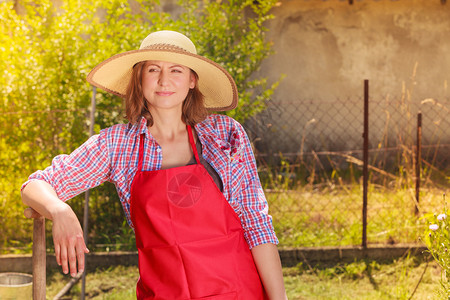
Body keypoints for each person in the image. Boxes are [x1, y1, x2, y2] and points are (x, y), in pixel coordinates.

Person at [21, 30, 287, 299]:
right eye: (152, 69)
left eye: (176, 70)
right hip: (165, 292)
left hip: (238, 290)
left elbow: (256, 223)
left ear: (192, 80)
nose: (163, 81)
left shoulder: (224, 134)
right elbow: (35, 185)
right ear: (139, 78)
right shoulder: (118, 144)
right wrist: (59, 210)